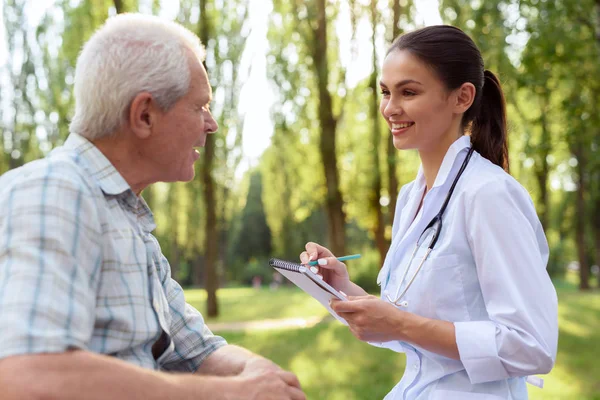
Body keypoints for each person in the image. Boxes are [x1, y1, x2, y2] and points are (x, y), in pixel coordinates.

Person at [0, 14, 304, 400]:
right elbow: (28, 375)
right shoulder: (53, 192)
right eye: (200, 107)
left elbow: (197, 352)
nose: (210, 125)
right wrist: (230, 394)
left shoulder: (126, 217)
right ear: (144, 115)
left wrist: (259, 372)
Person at [300, 25, 557, 399]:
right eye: (386, 92)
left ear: (462, 97)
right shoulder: (410, 198)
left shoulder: (489, 195)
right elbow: (409, 322)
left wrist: (401, 325)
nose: (390, 108)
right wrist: (340, 285)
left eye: (409, 92)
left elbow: (531, 345)